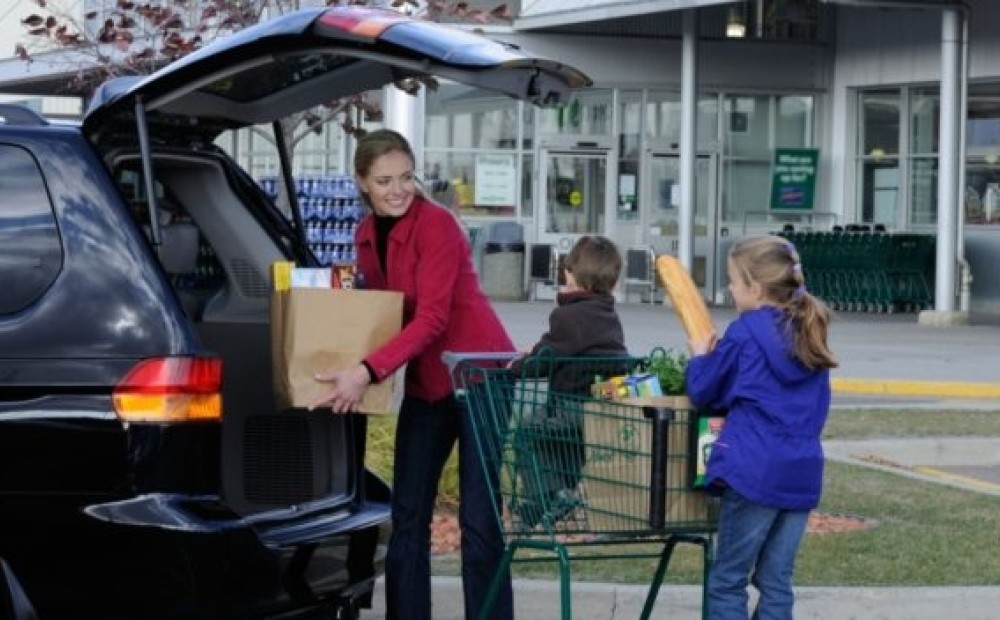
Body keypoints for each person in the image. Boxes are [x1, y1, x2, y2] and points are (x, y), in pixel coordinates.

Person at [309, 129, 515, 620]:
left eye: (405, 177)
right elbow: (382, 315)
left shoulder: (438, 226)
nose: (398, 189)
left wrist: (366, 370)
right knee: (407, 517)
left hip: (479, 377)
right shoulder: (364, 237)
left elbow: (432, 319)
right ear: (362, 182)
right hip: (428, 382)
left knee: (480, 522)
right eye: (384, 180)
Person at [684, 234, 838, 620]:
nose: (730, 289)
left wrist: (701, 356)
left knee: (728, 580)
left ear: (755, 287)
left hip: (753, 469)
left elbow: (706, 392)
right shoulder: (810, 330)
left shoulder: (744, 331)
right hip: (801, 471)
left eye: (733, 281)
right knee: (776, 581)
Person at [509, 235, 628, 528]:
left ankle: (549, 496)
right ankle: (554, 498)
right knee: (561, 447)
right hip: (600, 407)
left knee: (526, 432)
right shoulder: (608, 314)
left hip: (570, 408)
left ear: (570, 273)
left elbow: (547, 358)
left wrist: (518, 366)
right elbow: (565, 348)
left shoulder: (568, 316)